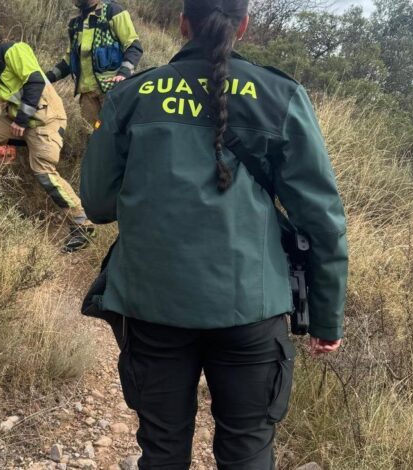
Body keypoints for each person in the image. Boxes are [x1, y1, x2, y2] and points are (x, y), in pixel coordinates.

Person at [80, 0, 349, 468]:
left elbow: (98, 205)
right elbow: (321, 219)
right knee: (247, 449)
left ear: (183, 24)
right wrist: (326, 318)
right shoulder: (281, 96)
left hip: (151, 305)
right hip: (252, 308)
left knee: (161, 449)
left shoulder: (131, 95)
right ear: (242, 26)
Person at [0, 12, 95, 253]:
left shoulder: (14, 50)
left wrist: (22, 118)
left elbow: (34, 82)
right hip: (19, 123)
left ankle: (83, 225)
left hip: (45, 121)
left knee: (43, 170)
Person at [46, 0, 143, 127]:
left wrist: (124, 73)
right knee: (92, 134)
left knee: (114, 132)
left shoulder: (113, 12)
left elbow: (133, 46)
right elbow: (69, 61)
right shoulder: (75, 22)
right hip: (87, 94)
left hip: (111, 90)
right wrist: (45, 79)